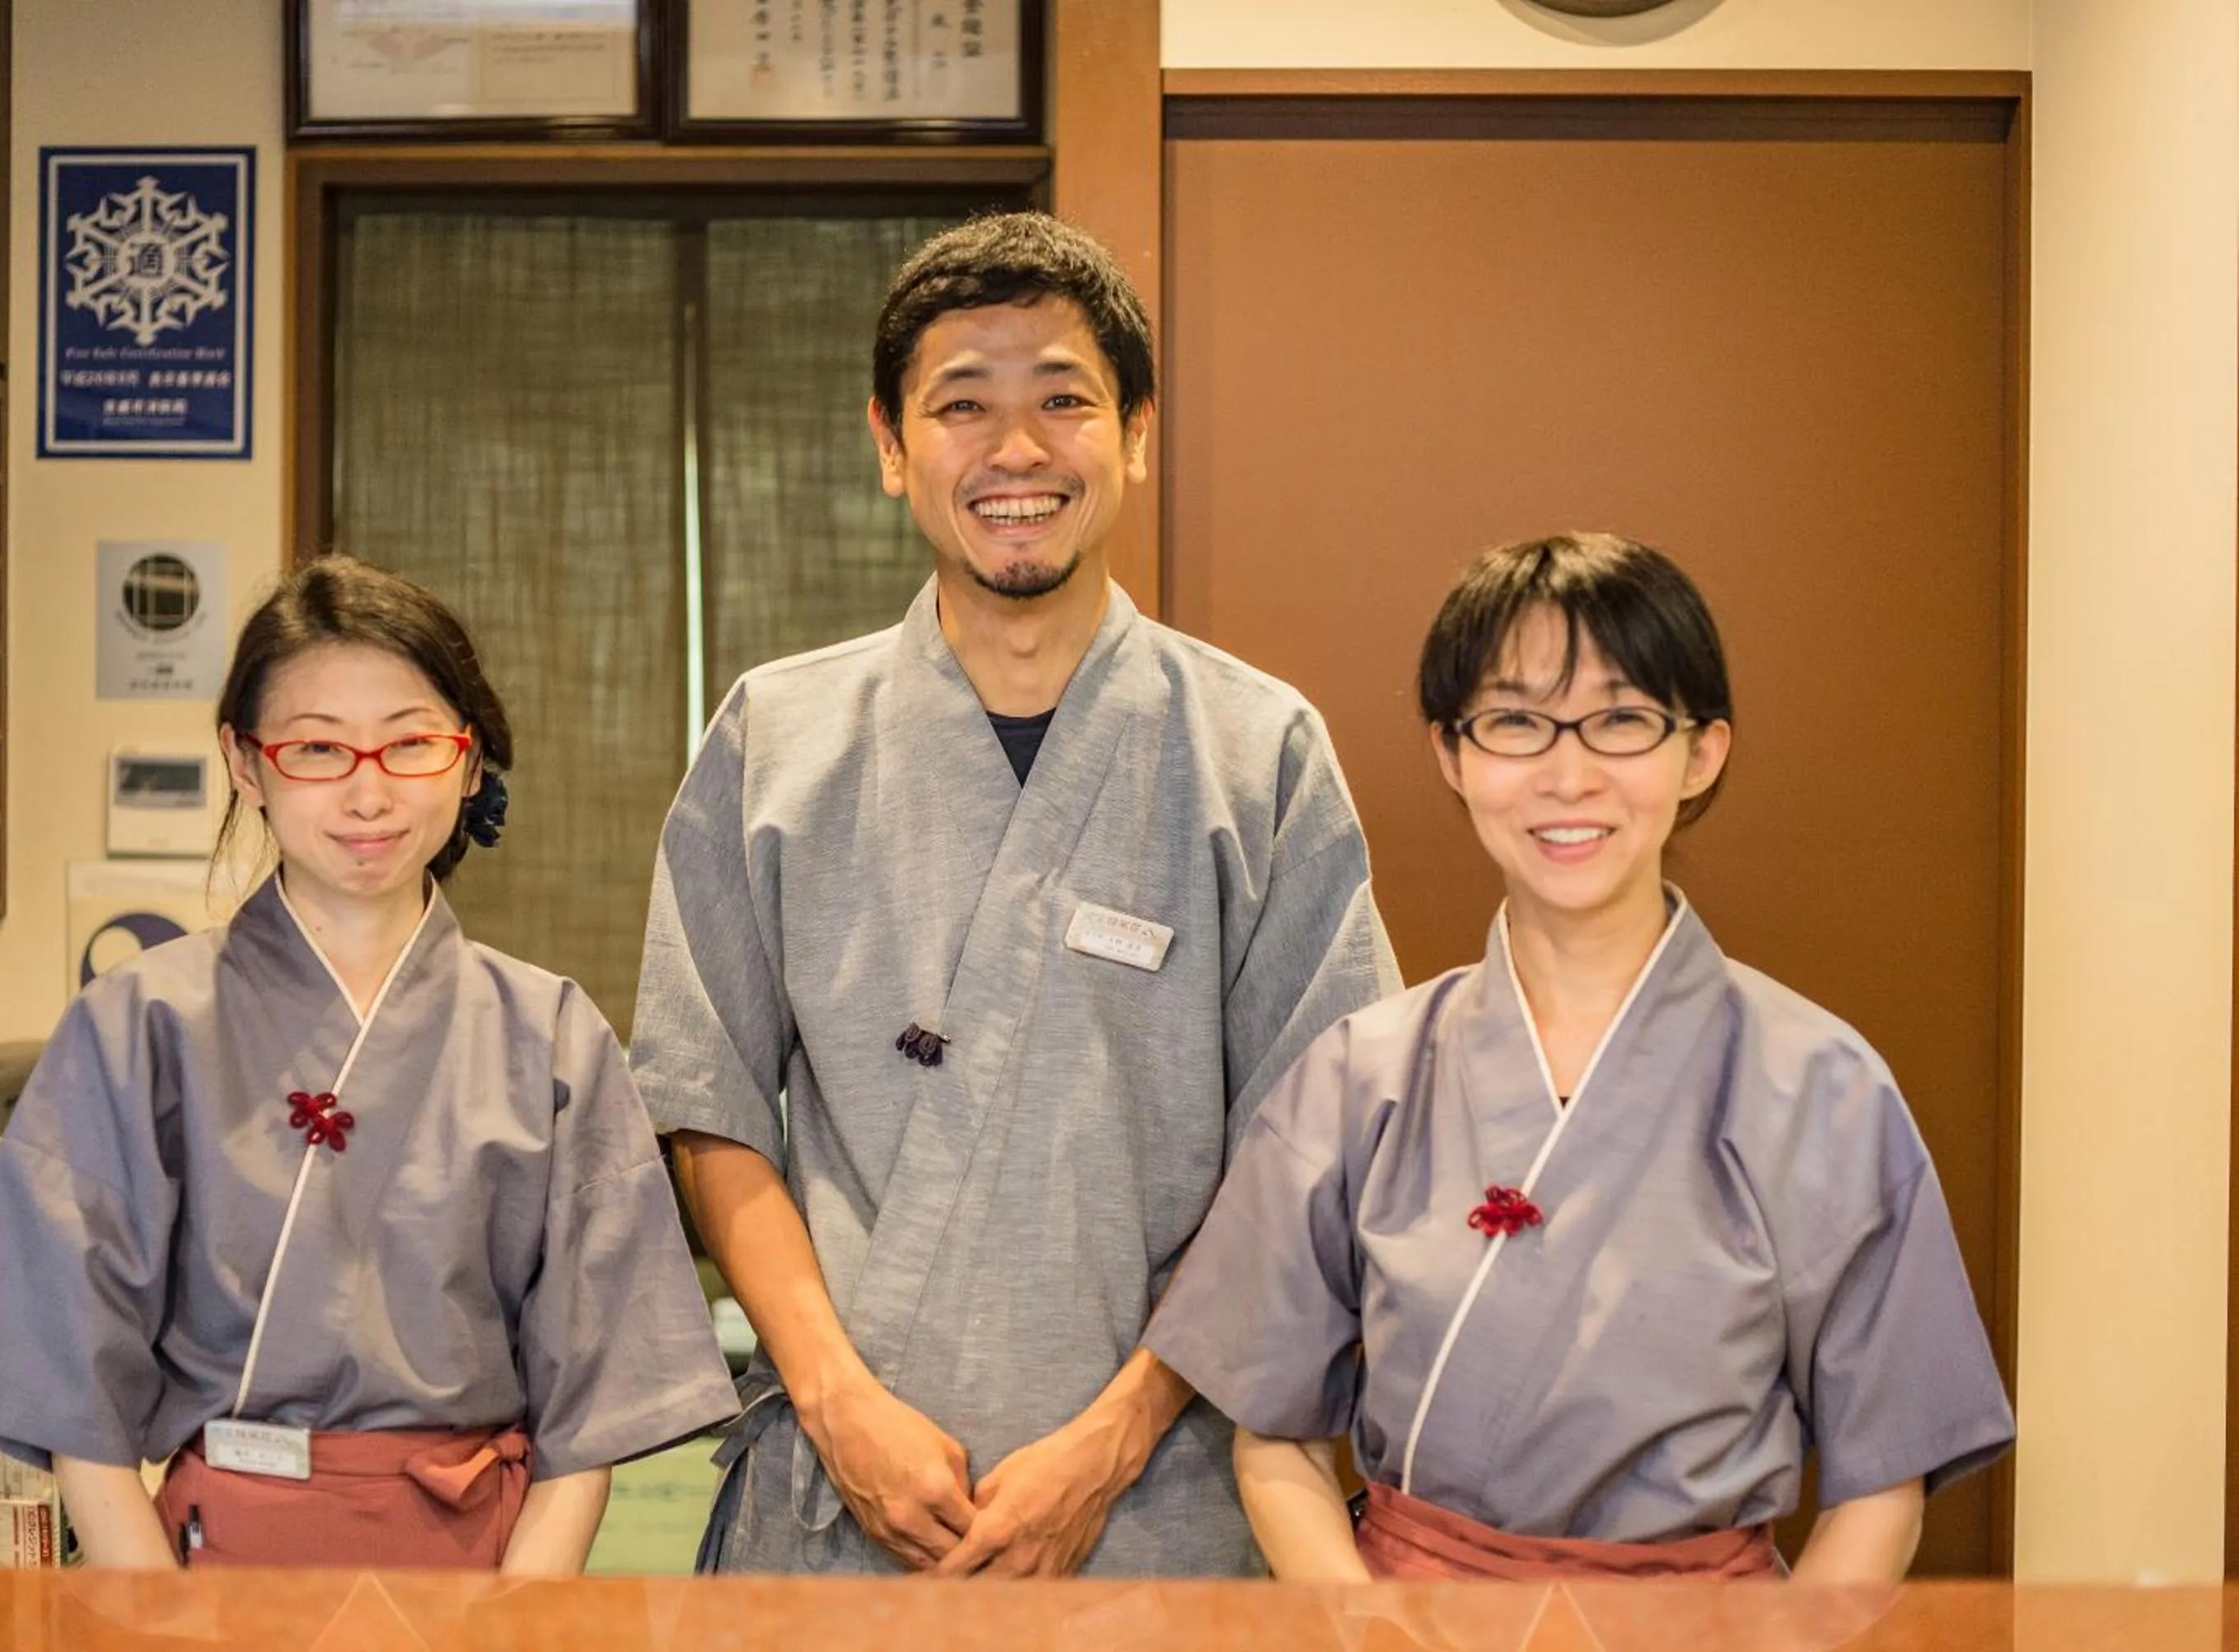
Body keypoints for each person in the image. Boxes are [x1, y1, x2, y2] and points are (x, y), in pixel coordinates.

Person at [629, 211, 1399, 1578]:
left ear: (1136, 433)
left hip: (1158, 1507)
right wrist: (836, 1401)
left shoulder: (1257, 751)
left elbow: (1308, 1149)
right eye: (961, 406)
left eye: (1064, 401)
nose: (1017, 451)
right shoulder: (774, 742)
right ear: (890, 444)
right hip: (841, 1502)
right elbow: (710, 1109)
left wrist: (1112, 1442)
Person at [1143, 533, 2016, 1583]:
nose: (1568, 774)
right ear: (1452, 754)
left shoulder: (1825, 1087)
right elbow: (1271, 1436)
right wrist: (1366, 1628)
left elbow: (1885, 1484)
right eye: (1515, 721)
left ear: (1701, 752)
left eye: (1621, 719)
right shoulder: (1356, 1078)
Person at [0, 555, 737, 1572]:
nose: (368, 791)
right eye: (316, 747)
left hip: (478, 1568)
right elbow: (69, 1387)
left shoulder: (553, 1034)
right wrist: (155, 1615)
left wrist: (523, 1618)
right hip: (206, 1569)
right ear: (245, 763)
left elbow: (594, 1403)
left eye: (411, 744)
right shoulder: (139, 1025)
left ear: (470, 762)